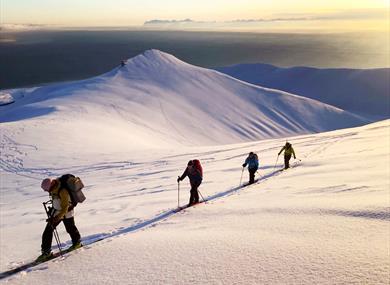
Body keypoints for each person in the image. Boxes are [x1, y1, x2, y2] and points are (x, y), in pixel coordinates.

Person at [37, 177, 82, 262]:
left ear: (51, 185)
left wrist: (57, 217)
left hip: (67, 212)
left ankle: (77, 242)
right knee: (48, 231)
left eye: (47, 190)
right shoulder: (54, 189)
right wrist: (52, 214)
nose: (47, 192)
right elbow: (56, 202)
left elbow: (65, 207)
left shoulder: (62, 191)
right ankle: (46, 252)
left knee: (70, 228)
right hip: (57, 212)